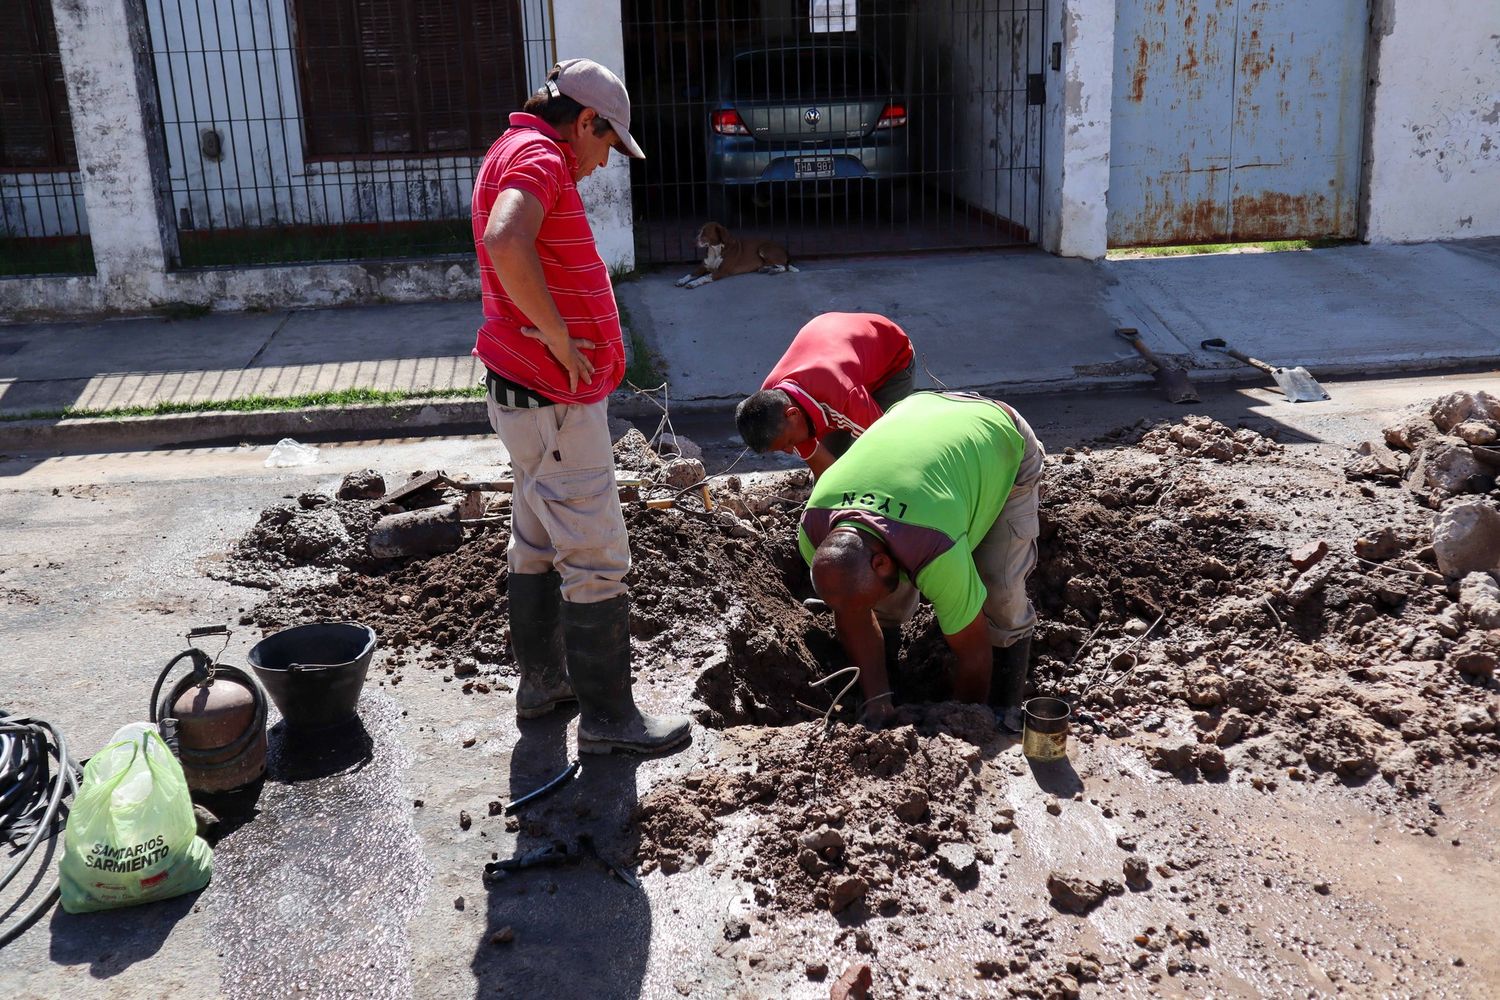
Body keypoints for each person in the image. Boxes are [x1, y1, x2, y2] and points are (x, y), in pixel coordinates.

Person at [472, 58, 689, 755]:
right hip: (553, 401)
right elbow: (506, 239)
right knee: (595, 556)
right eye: (606, 143)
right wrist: (564, 339)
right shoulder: (539, 157)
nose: (603, 164)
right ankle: (609, 722)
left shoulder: (514, 148)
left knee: (537, 540)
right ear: (586, 121)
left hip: (526, 398)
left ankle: (542, 685)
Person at [797, 391, 1045, 730]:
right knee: (876, 600)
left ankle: (1006, 704)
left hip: (999, 434)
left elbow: (974, 656)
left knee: (1000, 591)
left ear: (881, 563)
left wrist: (960, 722)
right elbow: (851, 612)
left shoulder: (934, 547)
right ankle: (889, 680)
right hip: (917, 415)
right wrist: (877, 702)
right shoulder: (813, 532)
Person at [736, 313, 917, 478]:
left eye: (788, 443)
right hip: (840, 353)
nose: (791, 451)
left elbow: (886, 452)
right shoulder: (772, 401)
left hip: (892, 360)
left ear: (792, 414)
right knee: (834, 462)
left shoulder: (843, 397)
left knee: (876, 461)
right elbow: (825, 472)